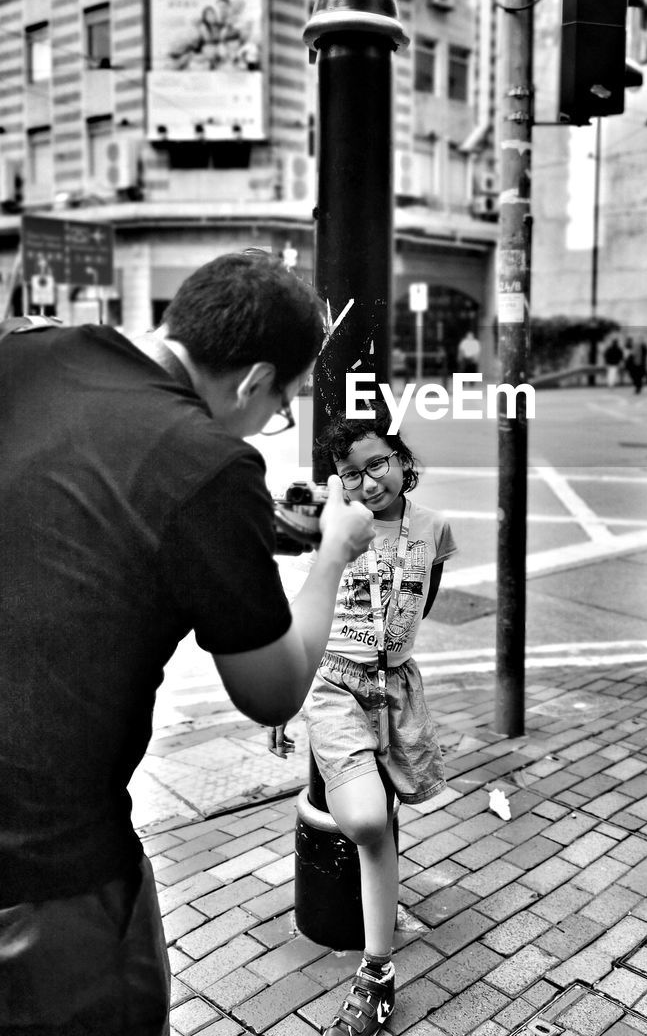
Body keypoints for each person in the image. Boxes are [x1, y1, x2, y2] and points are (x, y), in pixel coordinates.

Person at [0, 251, 375, 1035]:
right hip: (44, 877)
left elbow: (83, 498)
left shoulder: (26, 355)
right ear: (252, 381)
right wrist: (334, 550)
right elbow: (271, 690)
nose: (269, 425)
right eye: (281, 406)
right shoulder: (209, 462)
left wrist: (251, 531)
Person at [280, 403, 456, 1036]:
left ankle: (376, 973)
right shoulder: (334, 528)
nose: (366, 481)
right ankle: (376, 944)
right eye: (349, 473)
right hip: (332, 685)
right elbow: (308, 606)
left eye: (376, 462)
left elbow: (421, 601)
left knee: (384, 825)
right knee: (364, 817)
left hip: (397, 686)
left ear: (402, 461)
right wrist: (285, 695)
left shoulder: (435, 529)